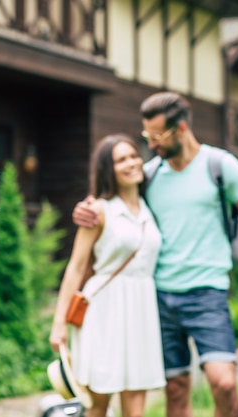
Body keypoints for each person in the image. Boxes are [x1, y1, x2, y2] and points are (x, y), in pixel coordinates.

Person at [73, 92, 238, 417]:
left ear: (181, 129)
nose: (151, 145)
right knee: (176, 388)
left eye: (157, 137)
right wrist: (85, 210)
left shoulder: (220, 166)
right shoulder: (151, 174)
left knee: (223, 383)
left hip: (207, 292)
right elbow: (114, 204)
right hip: (159, 296)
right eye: (147, 136)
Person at [50, 134, 166, 417]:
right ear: (108, 169)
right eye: (120, 159)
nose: (130, 163)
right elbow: (76, 267)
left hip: (141, 310)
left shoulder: (149, 209)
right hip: (104, 311)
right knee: (98, 406)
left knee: (136, 408)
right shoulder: (98, 210)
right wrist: (59, 323)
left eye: (133, 156)